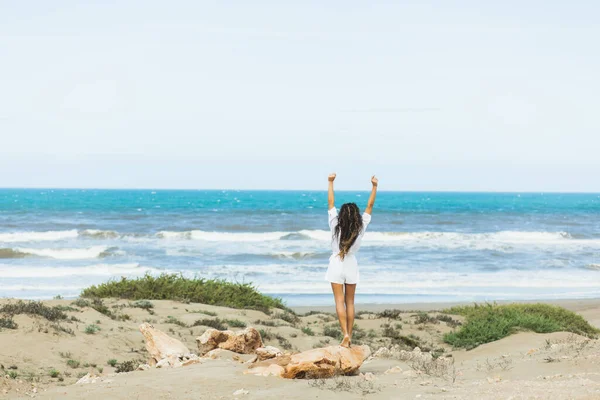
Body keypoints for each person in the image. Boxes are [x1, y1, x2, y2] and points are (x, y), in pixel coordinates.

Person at [326, 173, 378, 347]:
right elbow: (370, 206)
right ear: (356, 216)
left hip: (336, 263)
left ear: (342, 216)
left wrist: (330, 182)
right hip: (351, 264)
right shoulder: (360, 227)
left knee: (339, 302)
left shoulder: (334, 224)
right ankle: (350, 337)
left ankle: (345, 335)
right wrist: (374, 186)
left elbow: (331, 203)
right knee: (350, 302)